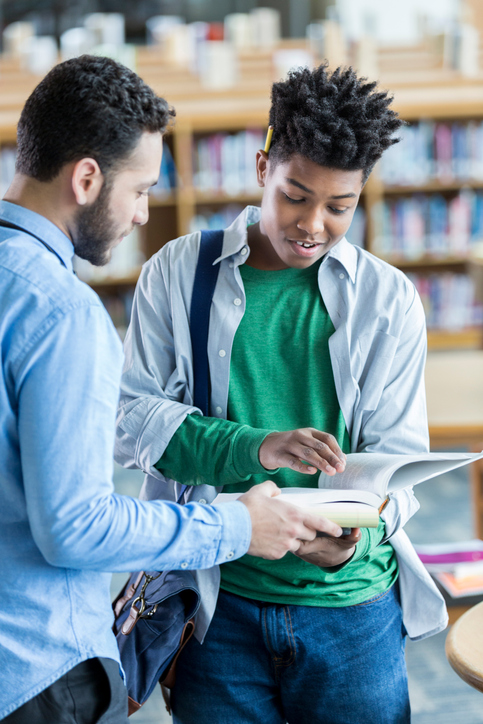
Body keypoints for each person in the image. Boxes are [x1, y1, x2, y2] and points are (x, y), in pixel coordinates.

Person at [0, 55, 342, 724]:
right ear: (87, 178)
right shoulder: (59, 311)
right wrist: (239, 524)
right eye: (139, 189)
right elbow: (75, 528)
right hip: (32, 671)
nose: (140, 214)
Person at [116, 63, 448, 724]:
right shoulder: (178, 273)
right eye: (295, 194)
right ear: (263, 165)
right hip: (220, 607)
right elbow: (132, 423)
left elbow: (398, 464)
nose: (312, 224)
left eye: (339, 205)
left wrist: (352, 540)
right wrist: (258, 447)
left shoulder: (385, 301)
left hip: (351, 610)